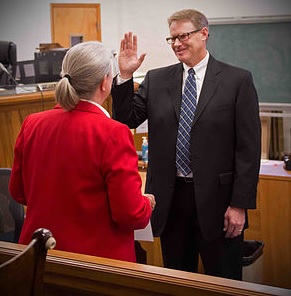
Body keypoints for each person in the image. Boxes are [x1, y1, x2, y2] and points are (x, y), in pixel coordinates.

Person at [111, 9, 261, 279]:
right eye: (172, 39)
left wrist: (240, 204)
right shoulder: (156, 80)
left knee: (225, 282)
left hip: (221, 204)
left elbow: (248, 150)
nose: (177, 44)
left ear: (204, 34)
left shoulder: (237, 80)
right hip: (171, 202)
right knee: (178, 281)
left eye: (183, 36)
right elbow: (125, 120)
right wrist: (124, 77)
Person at [9, 41, 155, 263]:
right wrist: (147, 203)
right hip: (95, 264)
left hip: (39, 256)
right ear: (105, 83)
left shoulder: (32, 123)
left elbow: (18, 192)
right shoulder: (113, 132)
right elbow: (130, 214)